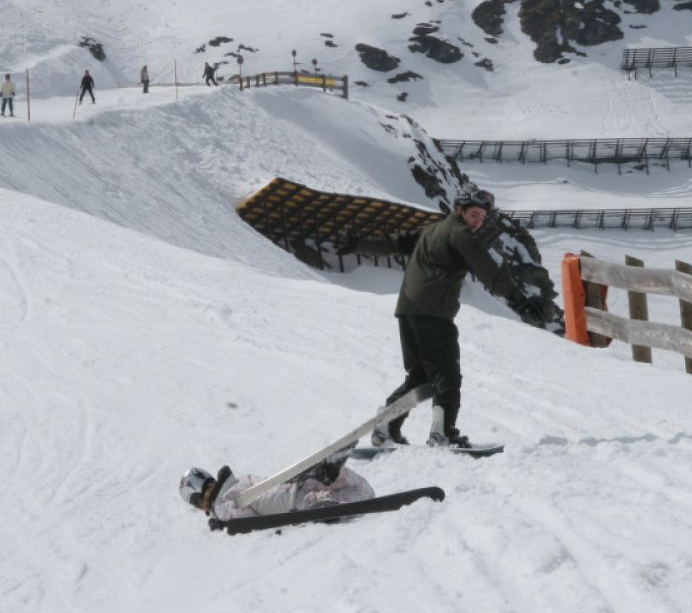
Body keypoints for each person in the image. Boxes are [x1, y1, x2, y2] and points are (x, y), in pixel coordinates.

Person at [368, 187, 515, 449]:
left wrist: (357, 242)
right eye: (473, 214)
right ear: (459, 210)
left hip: (408, 310)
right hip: (432, 313)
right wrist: (524, 299)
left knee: (421, 375)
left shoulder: (433, 229)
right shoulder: (459, 234)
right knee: (447, 374)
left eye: (481, 218)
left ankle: (386, 426)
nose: (477, 222)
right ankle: (443, 433)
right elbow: (491, 274)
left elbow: (396, 242)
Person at [179, 447, 374, 522]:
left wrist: (221, 522)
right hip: (291, 485)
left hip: (288, 500)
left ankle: (327, 495)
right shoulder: (237, 480)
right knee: (364, 491)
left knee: (347, 497)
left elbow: (246, 519)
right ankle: (327, 474)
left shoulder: (222, 507)